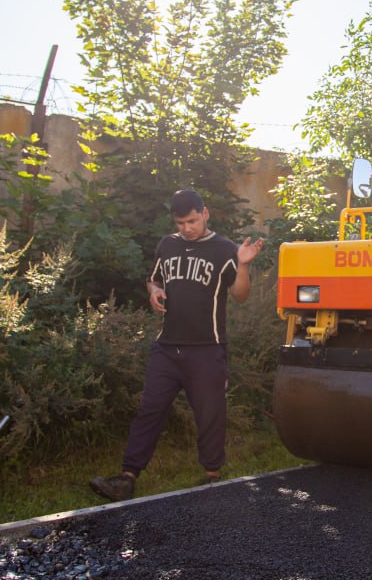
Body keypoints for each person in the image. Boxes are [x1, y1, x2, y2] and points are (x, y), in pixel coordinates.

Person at [90, 189, 264, 501]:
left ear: (205, 213)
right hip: (167, 347)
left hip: (207, 347)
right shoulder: (167, 244)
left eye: (193, 221)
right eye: (181, 222)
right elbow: (153, 279)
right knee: (149, 410)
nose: (187, 228)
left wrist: (243, 265)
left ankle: (212, 476)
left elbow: (240, 295)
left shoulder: (225, 249)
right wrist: (154, 291)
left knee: (210, 413)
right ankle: (127, 477)